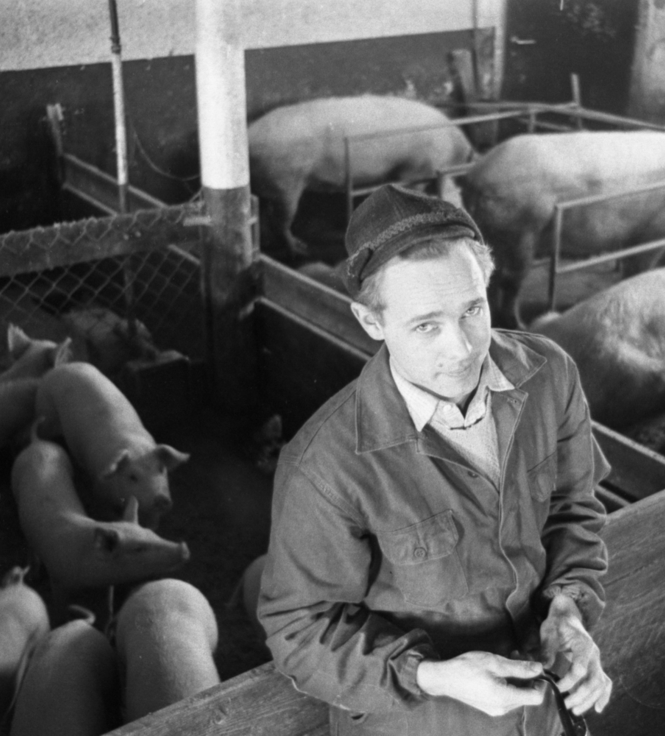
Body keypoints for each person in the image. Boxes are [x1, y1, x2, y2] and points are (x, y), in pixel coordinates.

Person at [258, 183, 613, 735]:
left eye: (472, 309)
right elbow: (300, 631)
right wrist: (434, 676)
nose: (462, 347)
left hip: (544, 709)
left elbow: (573, 508)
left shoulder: (550, 375)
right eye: (426, 325)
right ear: (371, 322)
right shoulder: (325, 466)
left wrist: (568, 608)